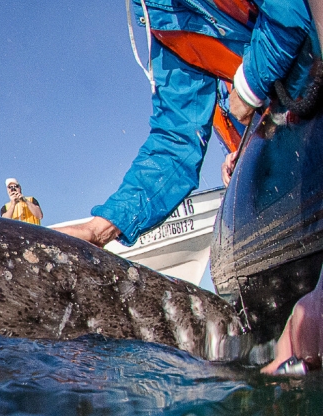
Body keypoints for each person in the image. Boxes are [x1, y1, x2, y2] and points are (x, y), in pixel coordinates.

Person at [54, 0, 319, 249]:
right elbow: (177, 139)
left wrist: (249, 87)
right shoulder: (163, 19)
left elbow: (289, 10)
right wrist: (101, 228)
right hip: (297, 130)